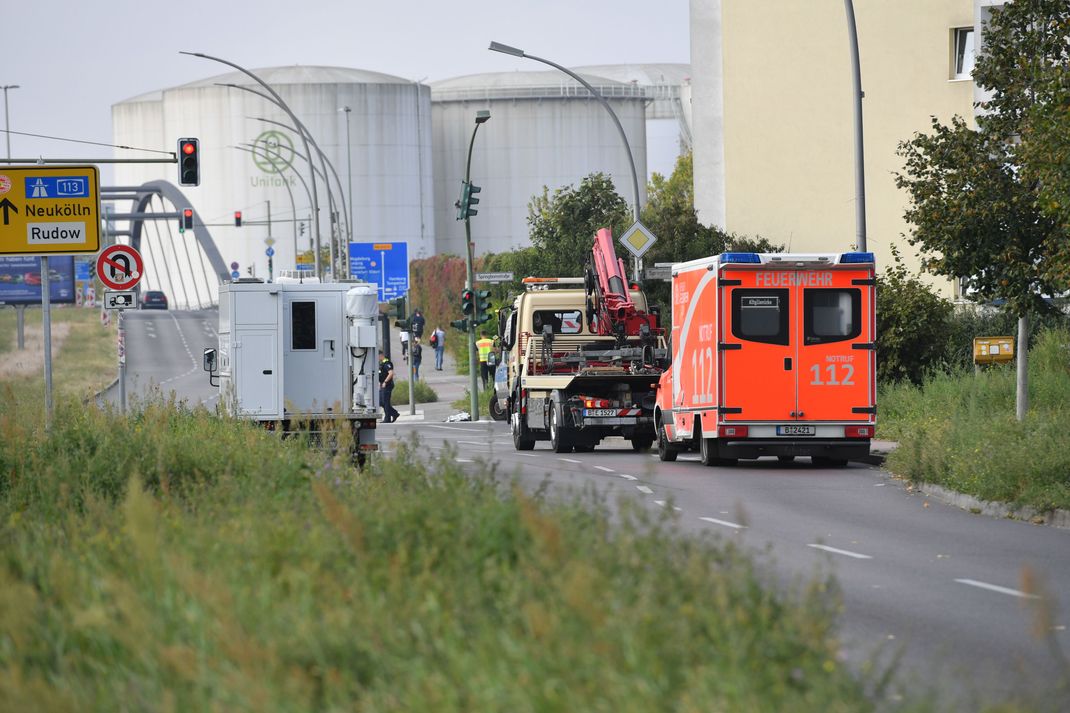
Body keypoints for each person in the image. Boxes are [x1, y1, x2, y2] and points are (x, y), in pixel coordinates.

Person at [379, 353, 400, 423]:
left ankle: (387, 418)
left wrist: (385, 382)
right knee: (381, 402)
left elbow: (391, 373)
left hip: (387, 385)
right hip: (382, 385)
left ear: (381, 355)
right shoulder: (382, 363)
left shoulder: (387, 363)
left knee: (385, 402)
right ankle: (394, 413)